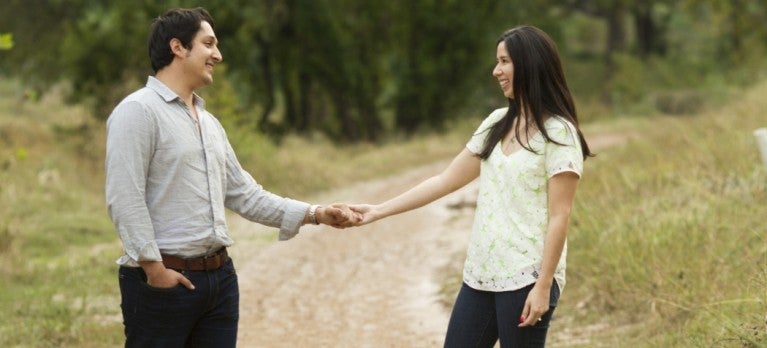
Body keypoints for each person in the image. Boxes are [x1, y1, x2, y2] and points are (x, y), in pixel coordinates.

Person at [105, 7, 357, 347]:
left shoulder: (208, 122)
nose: (217, 55)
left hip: (220, 282)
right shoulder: (137, 112)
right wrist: (154, 270)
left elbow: (245, 195)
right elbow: (125, 197)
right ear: (178, 47)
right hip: (163, 284)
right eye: (208, 44)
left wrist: (317, 214)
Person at [350, 25, 593, 347]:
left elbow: (560, 215)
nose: (496, 71)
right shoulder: (496, 123)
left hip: (526, 277)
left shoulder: (559, 133)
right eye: (497, 62)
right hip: (480, 275)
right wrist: (377, 211)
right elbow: (444, 181)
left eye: (504, 61)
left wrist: (544, 284)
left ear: (529, 64)